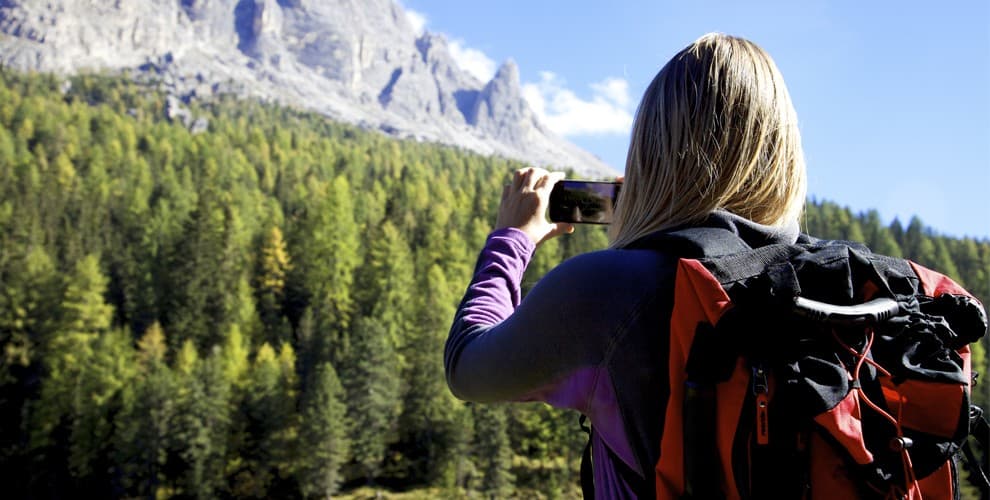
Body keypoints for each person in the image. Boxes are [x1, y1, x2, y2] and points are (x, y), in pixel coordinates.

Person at [445, 33, 807, 498]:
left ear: (653, 150)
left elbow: (466, 365)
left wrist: (512, 238)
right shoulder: (840, 286)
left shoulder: (608, 291)